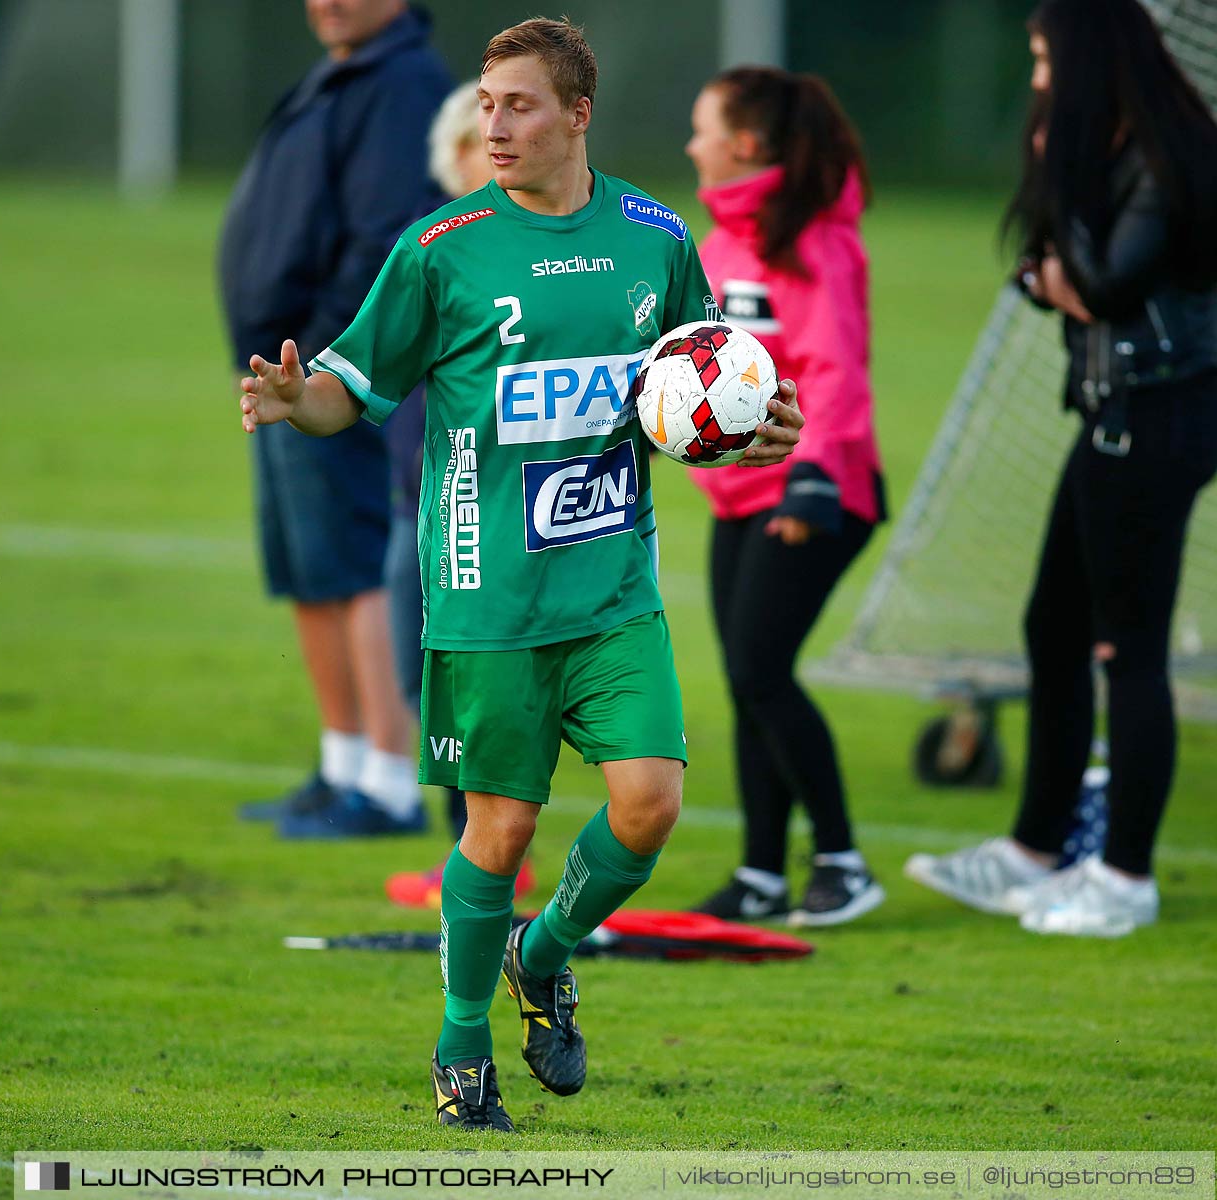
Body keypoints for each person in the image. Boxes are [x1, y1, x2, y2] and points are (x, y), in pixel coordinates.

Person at [237, 18, 804, 1131]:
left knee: (649, 807)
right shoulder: (440, 246)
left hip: (612, 591)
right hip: (488, 597)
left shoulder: (651, 233)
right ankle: (460, 1049)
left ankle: (543, 957)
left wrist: (758, 425)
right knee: (496, 836)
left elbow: (702, 384)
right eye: (487, 103)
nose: (493, 124)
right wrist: (299, 402)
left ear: (578, 113)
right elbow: (353, 382)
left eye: (520, 105)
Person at [905, 0, 1217, 937]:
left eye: (1048, 61)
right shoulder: (1116, 148)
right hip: (1114, 417)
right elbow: (1044, 275)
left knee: (1124, 650)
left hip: (1158, 416)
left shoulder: (1166, 158)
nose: (1040, 82)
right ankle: (1033, 851)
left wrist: (1060, 244)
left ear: (1091, 60)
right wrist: (1055, 267)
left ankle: (1124, 877)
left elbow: (1098, 283)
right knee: (1053, 625)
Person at [217, 0, 450, 837]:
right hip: (285, 372)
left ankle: (388, 783)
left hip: (332, 373)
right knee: (311, 569)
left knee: (356, 565)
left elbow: (383, 239)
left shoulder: (403, 82)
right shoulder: (341, 71)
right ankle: (342, 763)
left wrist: (326, 362)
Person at [681, 67, 887, 928]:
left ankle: (841, 862)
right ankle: (762, 873)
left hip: (819, 491)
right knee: (745, 680)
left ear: (748, 144)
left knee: (762, 669)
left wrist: (811, 477)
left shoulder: (816, 240)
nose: (692, 144)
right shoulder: (718, 242)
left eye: (703, 128)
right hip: (740, 496)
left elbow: (835, 371)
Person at [382, 84, 534, 908]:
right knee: (426, 675)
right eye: (480, 141)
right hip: (423, 501)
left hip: (495, 508)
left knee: (481, 685)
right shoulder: (434, 255)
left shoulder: (526, 266)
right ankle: (472, 848)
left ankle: (489, 854)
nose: (495, 151)